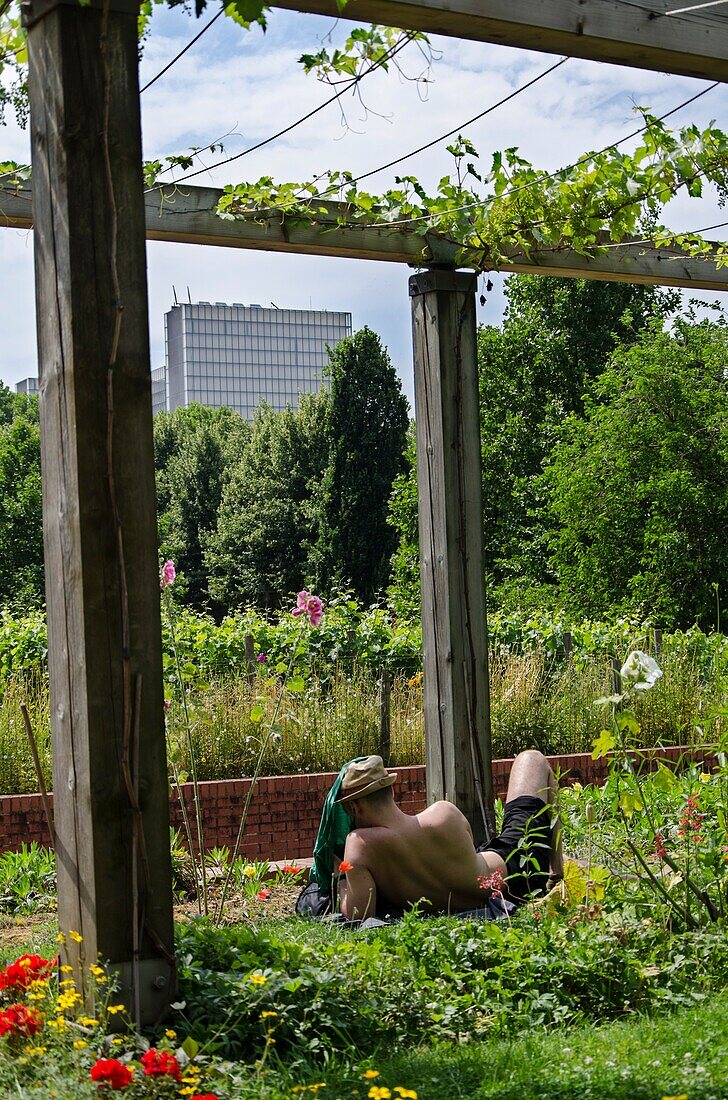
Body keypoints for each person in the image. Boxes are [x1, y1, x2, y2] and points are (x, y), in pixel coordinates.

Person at [335, 750, 563, 921]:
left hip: (490, 885)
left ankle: (556, 877)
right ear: (392, 790)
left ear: (354, 808)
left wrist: (342, 876)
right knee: (532, 759)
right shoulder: (443, 814)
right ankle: (557, 875)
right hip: (518, 873)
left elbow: (358, 915)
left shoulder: (359, 847)